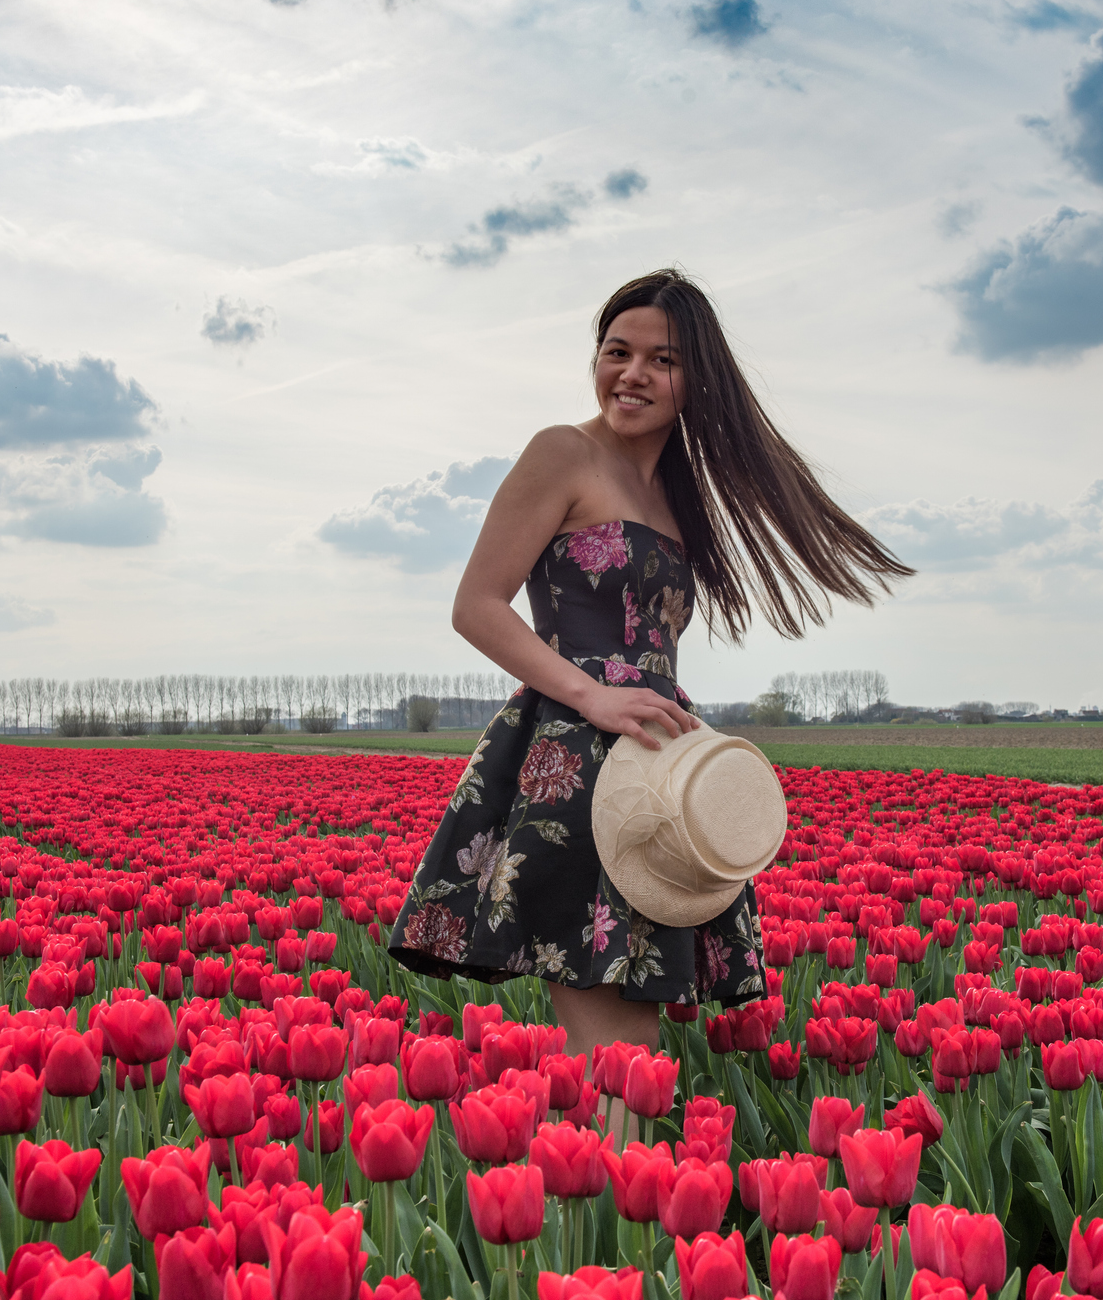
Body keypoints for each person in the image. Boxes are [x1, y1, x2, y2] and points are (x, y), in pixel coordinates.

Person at [386, 268, 911, 1060]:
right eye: (615, 351)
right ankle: (598, 1180)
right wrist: (591, 696)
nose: (630, 375)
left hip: (651, 761)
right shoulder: (561, 454)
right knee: (620, 1051)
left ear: (696, 378)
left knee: (634, 1049)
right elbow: (478, 606)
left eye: (659, 360)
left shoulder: (674, 490)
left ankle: (597, 1176)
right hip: (573, 754)